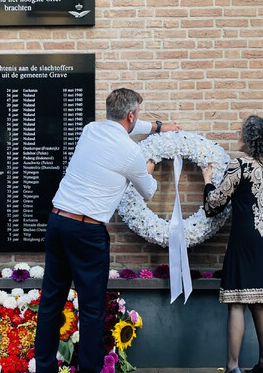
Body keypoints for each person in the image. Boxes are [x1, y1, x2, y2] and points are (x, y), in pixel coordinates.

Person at [34, 88, 180, 373]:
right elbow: (148, 192)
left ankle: (45, 368)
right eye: (136, 114)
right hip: (87, 233)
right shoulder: (132, 153)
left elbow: (129, 125)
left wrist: (158, 127)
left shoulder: (90, 130)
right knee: (90, 309)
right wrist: (147, 168)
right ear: (130, 115)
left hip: (57, 221)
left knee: (51, 300)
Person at [201, 115, 263, 373]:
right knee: (260, 302)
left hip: (244, 238)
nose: (238, 137)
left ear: (250, 138)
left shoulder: (240, 167)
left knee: (237, 302)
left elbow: (214, 204)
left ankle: (233, 367)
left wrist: (207, 179)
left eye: (241, 133)